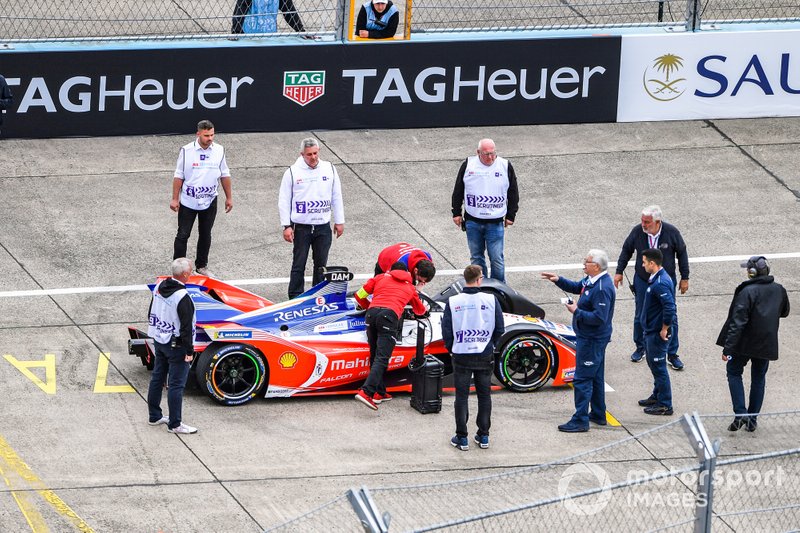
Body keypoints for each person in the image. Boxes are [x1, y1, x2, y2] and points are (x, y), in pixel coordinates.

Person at [541, 249, 616, 433]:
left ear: (596, 266)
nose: (583, 263)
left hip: (592, 339)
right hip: (590, 337)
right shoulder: (593, 281)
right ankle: (598, 413)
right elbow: (577, 287)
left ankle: (580, 419)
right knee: (596, 377)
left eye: (587, 261)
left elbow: (599, 318)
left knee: (582, 379)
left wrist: (576, 311)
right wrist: (558, 280)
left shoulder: (602, 288)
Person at [716, 256, 790, 432]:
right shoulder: (779, 290)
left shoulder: (746, 292)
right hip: (766, 343)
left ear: (752, 273)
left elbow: (737, 322)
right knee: (759, 379)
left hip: (743, 343)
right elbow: (785, 312)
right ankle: (752, 420)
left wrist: (728, 347)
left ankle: (740, 413)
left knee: (733, 372)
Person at [614, 205, 689, 370]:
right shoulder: (637, 232)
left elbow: (682, 253)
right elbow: (626, 250)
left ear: (657, 222)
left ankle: (672, 353)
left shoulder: (671, 232)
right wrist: (619, 271)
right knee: (640, 313)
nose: (643, 224)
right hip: (642, 280)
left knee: (671, 315)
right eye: (642, 220)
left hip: (664, 280)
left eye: (647, 222)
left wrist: (685, 277)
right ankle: (640, 348)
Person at [442, 265, 504, 450]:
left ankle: (462, 438)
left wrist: (452, 348)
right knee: (484, 395)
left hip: (461, 353)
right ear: (479, 279)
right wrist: (488, 343)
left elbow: (446, 331)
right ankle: (483, 436)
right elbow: (500, 328)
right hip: (484, 353)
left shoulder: (453, 302)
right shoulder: (491, 300)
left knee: (461, 396)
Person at [354, 262, 427, 410]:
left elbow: (359, 295)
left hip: (371, 315)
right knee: (382, 357)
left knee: (374, 355)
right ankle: (366, 392)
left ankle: (379, 393)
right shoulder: (410, 287)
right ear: (407, 272)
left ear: (390, 270)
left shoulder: (379, 278)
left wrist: (369, 307)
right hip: (389, 317)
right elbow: (420, 311)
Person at [279, 138, 345, 299]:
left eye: (315, 153)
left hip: (323, 226)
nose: (313, 157)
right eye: (309, 154)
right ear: (302, 154)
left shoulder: (329, 169)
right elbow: (284, 199)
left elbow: (336, 195)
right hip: (301, 226)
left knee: (321, 264)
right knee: (299, 264)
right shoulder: (292, 172)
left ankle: (318, 295)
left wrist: (339, 220)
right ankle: (295, 296)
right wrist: (286, 225)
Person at [451, 138, 519, 284]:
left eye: (493, 154)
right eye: (486, 154)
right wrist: (456, 212)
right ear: (478, 153)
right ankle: (480, 284)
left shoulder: (504, 165)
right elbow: (458, 189)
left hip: (495, 221)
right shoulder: (468, 165)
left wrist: (511, 215)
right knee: (476, 257)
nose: (490, 157)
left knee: (496, 259)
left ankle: (499, 288)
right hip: (473, 220)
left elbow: (513, 191)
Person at [172, 120, 233, 278]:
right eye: (206, 135)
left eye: (212, 134)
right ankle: (179, 267)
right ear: (198, 133)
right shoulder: (186, 151)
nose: (210, 138)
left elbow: (224, 174)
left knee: (206, 234)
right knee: (183, 235)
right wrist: (174, 198)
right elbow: (179, 175)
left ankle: (201, 266)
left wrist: (229, 197)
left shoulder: (219, 150)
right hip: (188, 201)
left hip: (210, 200)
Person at [147, 258, 198, 434]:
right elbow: (186, 328)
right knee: (176, 385)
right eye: (190, 272)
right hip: (176, 345)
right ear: (184, 274)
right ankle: (175, 424)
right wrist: (189, 351)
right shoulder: (182, 297)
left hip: (159, 339)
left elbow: (151, 311)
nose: (191, 274)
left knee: (157, 377)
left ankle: (154, 416)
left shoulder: (160, 286)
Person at [638, 248, 675, 416]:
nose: (642, 265)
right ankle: (657, 395)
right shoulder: (655, 279)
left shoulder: (661, 283)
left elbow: (670, 308)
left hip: (657, 333)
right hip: (650, 330)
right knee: (654, 365)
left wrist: (665, 328)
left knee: (659, 367)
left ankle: (665, 404)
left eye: (644, 262)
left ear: (652, 263)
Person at [231, 0, 305, 34]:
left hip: (270, 35)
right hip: (249, 35)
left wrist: (301, 30)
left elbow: (289, 12)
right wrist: (236, 31)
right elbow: (240, 9)